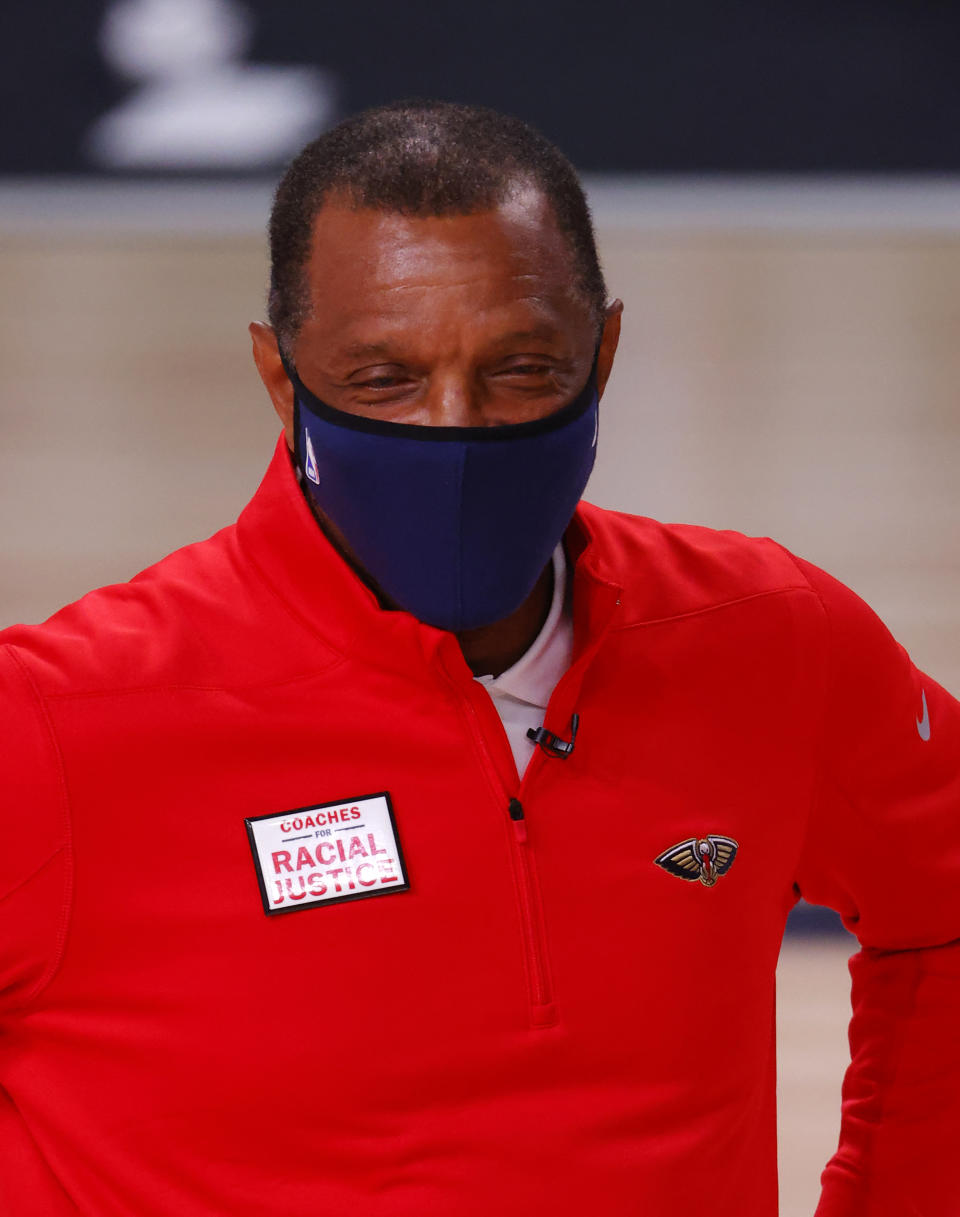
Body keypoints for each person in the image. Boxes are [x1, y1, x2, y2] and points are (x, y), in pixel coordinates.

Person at [1, 100, 957, 1217]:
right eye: (384, 381)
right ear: (281, 377)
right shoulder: (55, 723)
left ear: (602, 355)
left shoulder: (773, 639)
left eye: (519, 369)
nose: (454, 429)